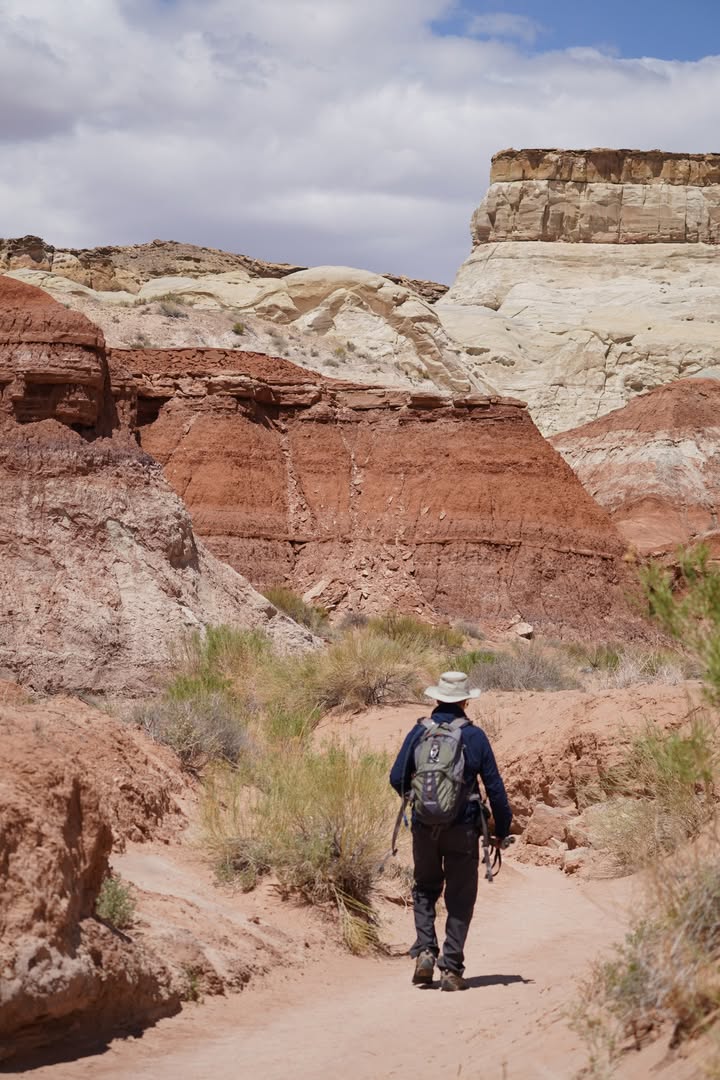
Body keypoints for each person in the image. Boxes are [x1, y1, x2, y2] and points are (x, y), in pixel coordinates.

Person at [389, 669, 512, 991]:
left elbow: (396, 776)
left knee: (425, 888)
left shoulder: (419, 732)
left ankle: (426, 952)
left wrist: (420, 802)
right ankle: (451, 968)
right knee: (460, 897)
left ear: (437, 698)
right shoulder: (474, 736)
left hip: (423, 826)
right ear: (466, 703)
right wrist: (502, 827)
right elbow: (495, 788)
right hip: (464, 828)